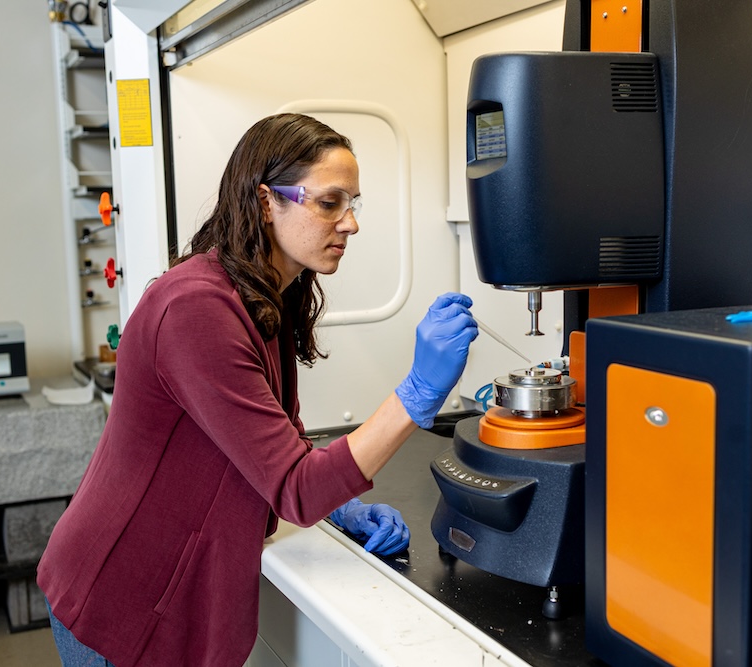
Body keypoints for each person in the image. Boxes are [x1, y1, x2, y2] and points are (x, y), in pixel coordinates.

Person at [36, 113, 478, 666]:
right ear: (267, 201)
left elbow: (278, 446)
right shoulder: (196, 308)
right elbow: (294, 486)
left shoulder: (267, 294)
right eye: (329, 202)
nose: (350, 224)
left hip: (162, 592)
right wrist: (417, 394)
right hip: (122, 598)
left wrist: (340, 507)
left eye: (353, 203)